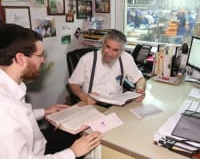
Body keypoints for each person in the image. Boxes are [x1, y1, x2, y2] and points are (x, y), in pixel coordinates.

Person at [0, 24, 102, 159]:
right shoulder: (5, 110)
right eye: (40, 55)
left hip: (38, 143)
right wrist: (73, 152)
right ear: (20, 59)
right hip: (38, 154)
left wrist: (45, 112)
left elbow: (19, 118)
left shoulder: (11, 85)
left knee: (72, 132)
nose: (43, 60)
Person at [68, 29, 146, 104]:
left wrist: (139, 90)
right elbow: (73, 84)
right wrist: (83, 96)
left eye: (115, 50)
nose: (110, 53)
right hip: (92, 102)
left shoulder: (126, 58)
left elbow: (140, 79)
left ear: (121, 51)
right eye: (108, 47)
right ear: (103, 44)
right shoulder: (87, 59)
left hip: (117, 102)